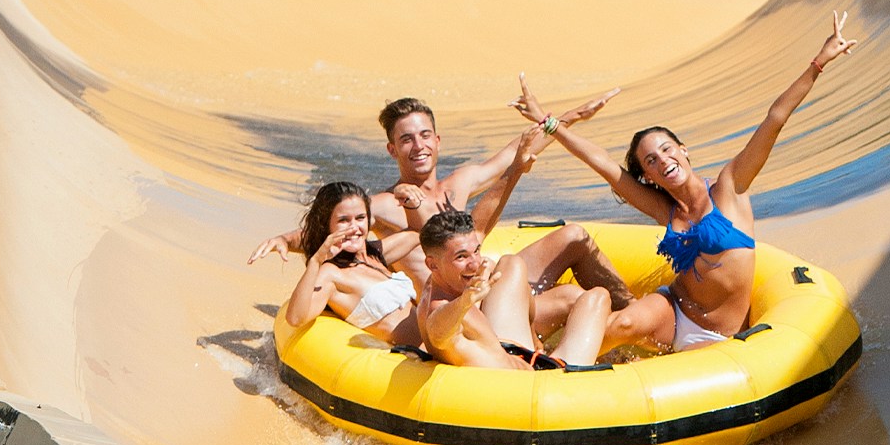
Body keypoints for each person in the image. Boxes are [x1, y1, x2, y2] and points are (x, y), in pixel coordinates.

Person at [513, 12, 858, 353]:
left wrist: (819, 63)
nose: (663, 161)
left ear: (683, 150)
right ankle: (544, 368)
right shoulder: (666, 208)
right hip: (673, 312)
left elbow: (775, 119)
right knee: (621, 325)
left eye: (667, 150)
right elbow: (601, 162)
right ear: (648, 176)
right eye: (651, 161)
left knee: (629, 332)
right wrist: (549, 122)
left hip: (718, 335)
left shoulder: (730, 188)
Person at [249, 91, 636, 320]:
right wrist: (285, 238)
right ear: (392, 149)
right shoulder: (386, 204)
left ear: (438, 141)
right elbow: (340, 225)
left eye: (424, 136)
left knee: (574, 236)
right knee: (572, 299)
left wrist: (570, 117)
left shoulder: (461, 181)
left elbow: (519, 153)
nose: (417, 146)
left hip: (489, 284)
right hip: (456, 308)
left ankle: (632, 313)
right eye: (406, 140)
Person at [418, 208, 610, 370]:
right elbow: (437, 331)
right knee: (598, 298)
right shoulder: (443, 311)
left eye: (475, 251)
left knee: (511, 263)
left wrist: (533, 335)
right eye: (461, 257)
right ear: (432, 264)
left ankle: (536, 341)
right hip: (543, 383)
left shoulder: (437, 281)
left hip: (513, 351)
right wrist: (465, 301)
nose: (475, 264)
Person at [281, 182, 424, 347]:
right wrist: (315, 261)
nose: (354, 227)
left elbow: (418, 234)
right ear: (326, 225)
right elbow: (295, 318)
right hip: (416, 360)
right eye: (343, 220)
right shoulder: (331, 273)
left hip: (437, 351)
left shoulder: (374, 255)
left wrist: (407, 199)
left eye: (360, 218)